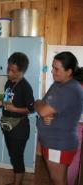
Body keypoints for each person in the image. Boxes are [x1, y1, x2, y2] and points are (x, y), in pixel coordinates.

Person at [34, 52, 83, 185]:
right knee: (54, 179)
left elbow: (42, 109)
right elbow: (41, 104)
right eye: (52, 67)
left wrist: (41, 107)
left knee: (58, 180)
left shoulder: (71, 89)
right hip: (51, 142)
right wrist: (41, 107)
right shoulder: (58, 85)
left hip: (59, 144)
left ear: (69, 71)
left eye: (56, 69)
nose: (52, 71)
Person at [0, 52, 34, 185]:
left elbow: (31, 108)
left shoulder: (25, 87)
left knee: (17, 158)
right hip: (8, 125)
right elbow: (7, 101)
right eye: (8, 69)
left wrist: (15, 109)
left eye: (13, 70)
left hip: (19, 128)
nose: (9, 73)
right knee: (13, 156)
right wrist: (2, 103)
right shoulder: (9, 83)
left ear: (21, 71)